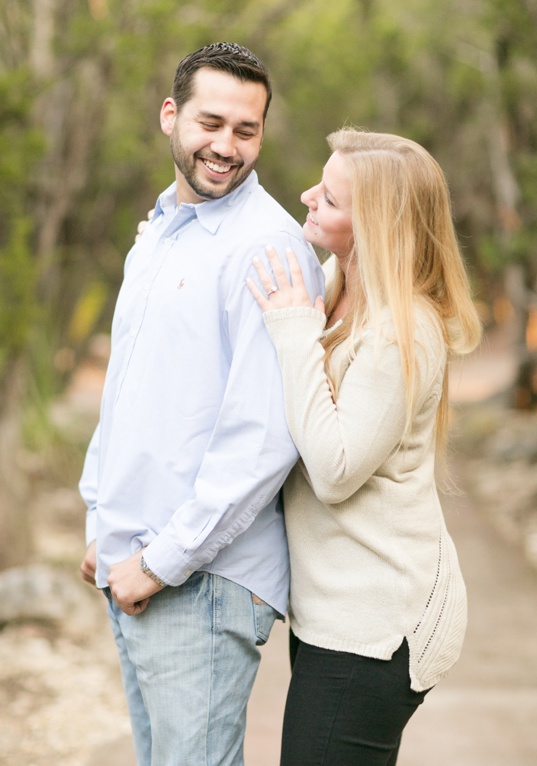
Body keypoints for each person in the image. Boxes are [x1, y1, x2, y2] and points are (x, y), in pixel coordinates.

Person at [77, 42, 324, 765]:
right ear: (169, 116)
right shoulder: (155, 235)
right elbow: (126, 390)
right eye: (210, 123)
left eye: (246, 131)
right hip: (132, 561)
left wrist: (161, 561)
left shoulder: (268, 248)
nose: (226, 146)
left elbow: (262, 440)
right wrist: (102, 519)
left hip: (201, 579)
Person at [245, 129, 482, 764]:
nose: (307, 197)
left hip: (376, 628)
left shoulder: (402, 333)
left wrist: (294, 333)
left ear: (376, 225)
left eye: (329, 197)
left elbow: (335, 469)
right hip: (333, 614)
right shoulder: (335, 285)